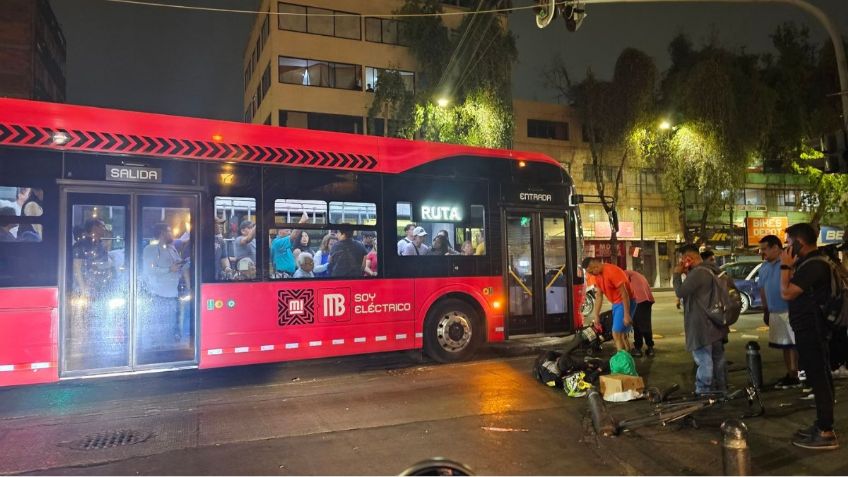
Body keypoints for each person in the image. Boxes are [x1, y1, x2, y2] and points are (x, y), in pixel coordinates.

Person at [780, 223, 838, 450]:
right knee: (820, 376)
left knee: (819, 379)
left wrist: (785, 267)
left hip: (813, 329)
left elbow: (786, 293)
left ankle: (826, 431)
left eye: (788, 242)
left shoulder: (814, 265)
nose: (786, 247)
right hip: (812, 328)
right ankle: (823, 425)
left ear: (798, 243)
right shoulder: (812, 262)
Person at [673, 244, 728, 396]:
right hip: (715, 323)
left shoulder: (698, 273)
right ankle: (721, 391)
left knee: (704, 360)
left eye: (682, 258)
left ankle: (703, 392)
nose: (681, 262)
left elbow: (680, 292)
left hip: (701, 325)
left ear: (688, 258)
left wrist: (677, 274)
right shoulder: (710, 269)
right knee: (718, 359)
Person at [758, 234, 801, 389]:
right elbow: (762, 289)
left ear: (776, 247)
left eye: (765, 249)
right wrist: (765, 309)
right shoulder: (764, 267)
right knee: (784, 345)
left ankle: (798, 373)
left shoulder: (788, 262)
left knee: (794, 344)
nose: (762, 252)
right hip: (774, 311)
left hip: (789, 309)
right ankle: (791, 373)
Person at [142, 223, 189, 344]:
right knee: (160, 327)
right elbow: (149, 270)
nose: (172, 234)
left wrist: (184, 263)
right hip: (159, 295)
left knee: (171, 326)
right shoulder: (150, 249)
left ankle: (168, 348)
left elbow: (177, 263)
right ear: (163, 233)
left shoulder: (171, 248)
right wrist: (169, 269)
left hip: (173, 294)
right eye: (170, 231)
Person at [582, 257, 635, 353]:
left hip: (625, 301)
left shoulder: (611, 271)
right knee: (622, 334)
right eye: (590, 273)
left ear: (595, 263)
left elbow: (625, 294)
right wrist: (596, 315)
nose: (592, 273)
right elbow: (599, 296)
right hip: (616, 303)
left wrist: (627, 315)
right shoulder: (597, 276)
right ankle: (627, 356)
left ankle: (621, 360)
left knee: (616, 333)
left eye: (592, 270)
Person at [626, 268, 655, 357]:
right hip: (647, 299)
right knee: (645, 323)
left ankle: (638, 348)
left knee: (638, 325)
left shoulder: (624, 274)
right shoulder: (635, 274)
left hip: (638, 299)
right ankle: (650, 347)